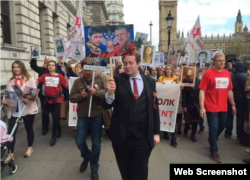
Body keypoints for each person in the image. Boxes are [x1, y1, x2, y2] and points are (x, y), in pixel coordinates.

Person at [103, 55, 160, 180]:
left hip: (143, 137)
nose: (127, 66)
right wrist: (109, 93)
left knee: (140, 172)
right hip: (121, 137)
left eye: (131, 63)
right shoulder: (116, 79)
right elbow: (106, 105)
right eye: (125, 63)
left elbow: (155, 107)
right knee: (126, 173)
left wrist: (156, 132)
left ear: (139, 63)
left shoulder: (149, 81)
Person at [69, 60, 107, 180]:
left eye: (89, 69)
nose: (87, 72)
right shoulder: (78, 81)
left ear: (94, 69)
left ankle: (94, 167)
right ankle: (87, 156)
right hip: (83, 116)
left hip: (97, 115)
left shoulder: (101, 78)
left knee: (96, 144)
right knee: (79, 141)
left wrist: (96, 93)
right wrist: (81, 96)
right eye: (85, 69)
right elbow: (71, 97)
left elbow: (108, 93)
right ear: (82, 69)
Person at [199, 51, 237, 163]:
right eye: (219, 60)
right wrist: (202, 107)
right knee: (214, 127)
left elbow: (229, 90)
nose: (222, 62)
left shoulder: (227, 74)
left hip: (223, 106)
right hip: (211, 106)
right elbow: (202, 91)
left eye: (223, 60)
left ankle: (212, 138)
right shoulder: (208, 74)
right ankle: (214, 151)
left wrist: (233, 105)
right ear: (214, 61)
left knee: (223, 125)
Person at [2, 61, 38, 163]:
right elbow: (7, 93)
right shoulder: (11, 80)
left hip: (26, 109)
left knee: (28, 128)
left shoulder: (29, 79)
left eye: (18, 67)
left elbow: (34, 93)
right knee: (11, 132)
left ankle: (30, 147)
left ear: (22, 68)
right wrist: (4, 100)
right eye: (14, 67)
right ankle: (10, 154)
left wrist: (29, 98)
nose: (16, 69)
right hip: (14, 109)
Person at [37, 60, 67, 146]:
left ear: (55, 67)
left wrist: (65, 78)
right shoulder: (45, 76)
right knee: (53, 117)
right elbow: (36, 81)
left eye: (52, 65)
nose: (50, 66)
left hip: (57, 101)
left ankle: (53, 137)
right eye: (49, 65)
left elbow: (65, 85)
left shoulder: (60, 76)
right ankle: (59, 130)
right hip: (47, 101)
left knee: (55, 118)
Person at [157, 65, 179, 147]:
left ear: (172, 70)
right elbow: (157, 87)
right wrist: (160, 84)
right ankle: (165, 133)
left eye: (170, 69)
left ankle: (173, 138)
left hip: (172, 101)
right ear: (165, 70)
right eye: (167, 69)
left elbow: (178, 89)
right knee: (163, 117)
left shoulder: (175, 78)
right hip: (163, 101)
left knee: (172, 118)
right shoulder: (161, 78)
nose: (168, 71)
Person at [30, 57, 50, 135]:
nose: (48, 65)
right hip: (43, 95)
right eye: (46, 63)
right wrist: (34, 56)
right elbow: (33, 66)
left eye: (49, 63)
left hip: (54, 96)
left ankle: (57, 130)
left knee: (55, 115)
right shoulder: (41, 70)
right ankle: (45, 128)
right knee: (45, 112)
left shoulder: (55, 71)